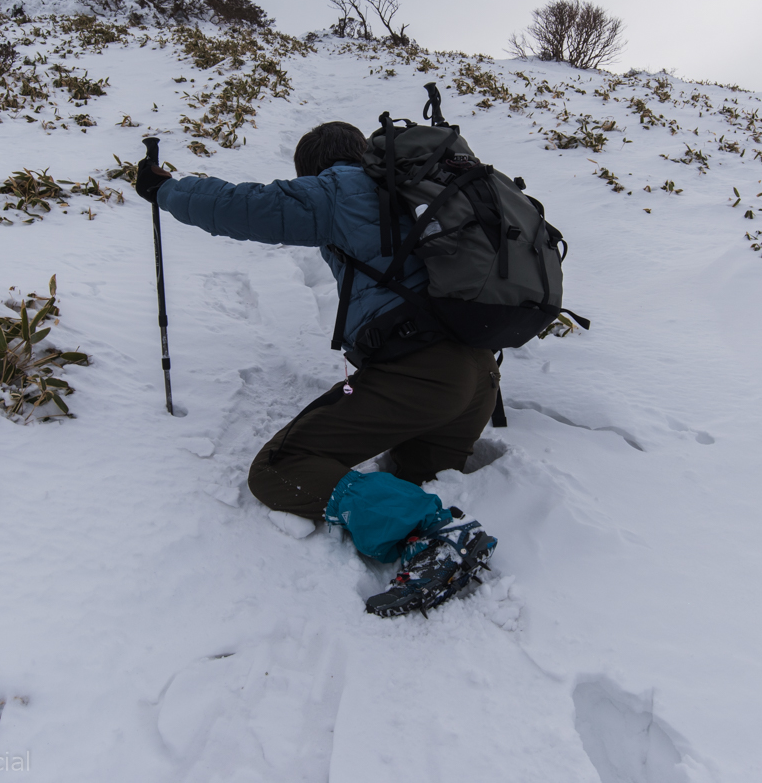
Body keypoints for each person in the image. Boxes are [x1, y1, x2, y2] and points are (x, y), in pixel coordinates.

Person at [134, 121, 500, 616]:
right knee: (413, 478)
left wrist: (168, 190)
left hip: (421, 372)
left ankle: (437, 536)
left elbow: (245, 207)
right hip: (477, 377)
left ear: (313, 169)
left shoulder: (342, 186)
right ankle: (423, 523)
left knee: (278, 469)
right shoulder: (416, 189)